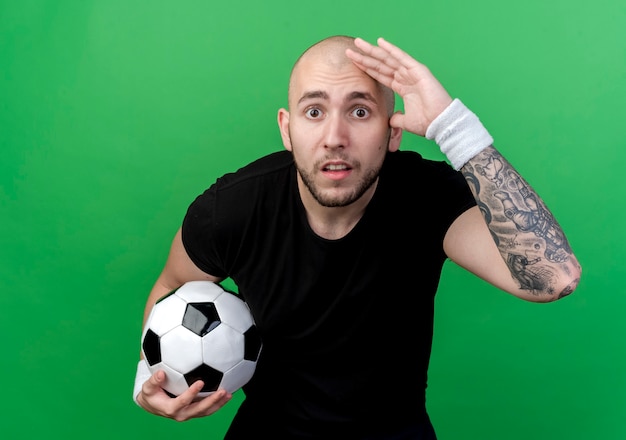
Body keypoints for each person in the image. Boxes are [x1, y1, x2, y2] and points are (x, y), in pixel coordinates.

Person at [132, 35, 581, 439]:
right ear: (287, 129)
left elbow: (553, 277)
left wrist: (454, 128)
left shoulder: (428, 197)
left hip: (394, 431)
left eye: (360, 111)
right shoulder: (232, 209)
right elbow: (171, 288)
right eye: (314, 112)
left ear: (394, 131)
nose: (335, 137)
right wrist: (152, 376)